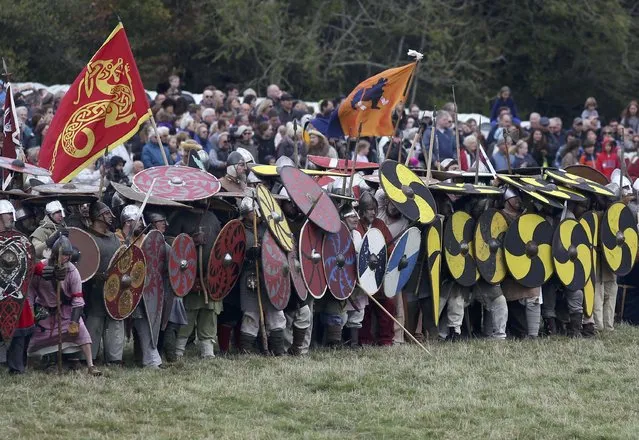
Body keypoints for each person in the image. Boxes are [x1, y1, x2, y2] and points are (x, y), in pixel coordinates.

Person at [28, 235, 102, 376]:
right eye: (63, 255)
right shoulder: (41, 268)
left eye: (68, 255)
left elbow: (77, 299)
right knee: (32, 338)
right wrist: (31, 311)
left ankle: (90, 366)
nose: (65, 258)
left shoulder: (72, 271)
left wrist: (74, 321)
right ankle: (29, 362)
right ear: (55, 254)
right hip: (44, 311)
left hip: (66, 311)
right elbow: (31, 292)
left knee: (82, 332)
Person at [237, 197, 287, 355]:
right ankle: (247, 351)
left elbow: (283, 247)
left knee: (276, 313)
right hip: (251, 276)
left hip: (272, 277)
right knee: (251, 315)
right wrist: (247, 255)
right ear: (245, 214)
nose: (255, 214)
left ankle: (277, 350)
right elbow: (231, 256)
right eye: (252, 212)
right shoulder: (238, 231)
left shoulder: (269, 228)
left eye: (256, 211)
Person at [85, 201, 124, 365]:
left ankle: (115, 358)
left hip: (114, 288)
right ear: (97, 216)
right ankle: (91, 357)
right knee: (95, 322)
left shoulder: (115, 238)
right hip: (94, 289)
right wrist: (96, 276)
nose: (111, 216)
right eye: (107, 213)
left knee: (115, 322)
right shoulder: (87, 238)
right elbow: (84, 266)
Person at [0, 200, 35, 374]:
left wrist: (47, 270)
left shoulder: (20, 240)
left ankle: (16, 367)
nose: (12, 218)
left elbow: (29, 262)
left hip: (15, 294)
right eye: (8, 214)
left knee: (20, 331)